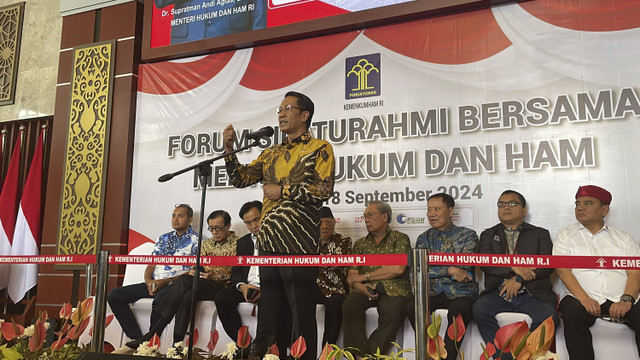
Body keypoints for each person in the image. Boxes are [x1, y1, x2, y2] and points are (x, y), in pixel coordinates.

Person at [223, 91, 335, 360]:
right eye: (279, 110)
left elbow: (323, 189)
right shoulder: (271, 152)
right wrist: (229, 151)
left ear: (304, 115)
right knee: (269, 313)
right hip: (269, 244)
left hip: (298, 245)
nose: (281, 113)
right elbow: (241, 179)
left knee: (300, 315)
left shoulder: (320, 148)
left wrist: (283, 190)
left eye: (288, 108)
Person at [115, 210, 239, 353]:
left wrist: (215, 275)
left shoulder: (238, 243)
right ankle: (177, 345)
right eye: (211, 229)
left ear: (228, 226)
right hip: (202, 283)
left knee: (185, 280)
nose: (215, 232)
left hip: (222, 287)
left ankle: (154, 333)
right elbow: (198, 267)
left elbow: (236, 273)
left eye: (219, 228)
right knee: (187, 293)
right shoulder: (207, 244)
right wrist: (197, 271)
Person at [554, 185, 640, 360]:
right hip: (581, 297)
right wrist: (584, 299)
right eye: (577, 203)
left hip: (619, 297)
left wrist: (626, 300)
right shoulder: (564, 235)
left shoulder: (624, 238)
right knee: (572, 314)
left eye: (587, 203)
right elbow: (563, 271)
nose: (580, 207)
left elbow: (635, 272)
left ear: (604, 209)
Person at [472, 190, 559, 360]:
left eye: (512, 203)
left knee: (549, 317)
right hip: (497, 293)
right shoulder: (489, 234)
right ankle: (503, 357)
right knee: (479, 309)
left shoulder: (540, 233)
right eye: (501, 204)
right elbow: (485, 263)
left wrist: (518, 279)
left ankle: (526, 355)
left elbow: (547, 266)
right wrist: (512, 267)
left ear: (524, 210)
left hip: (532, 294)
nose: (506, 207)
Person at [108, 204, 198, 341]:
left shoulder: (196, 241)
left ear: (190, 219)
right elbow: (151, 266)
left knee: (160, 300)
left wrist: (167, 282)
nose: (175, 219)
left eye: (180, 216)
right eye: (173, 215)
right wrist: (149, 282)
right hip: (155, 282)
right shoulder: (163, 238)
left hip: (175, 285)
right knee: (114, 295)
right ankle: (137, 338)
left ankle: (151, 343)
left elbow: (192, 273)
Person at [407, 193, 478, 360]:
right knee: (412, 308)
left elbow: (465, 269)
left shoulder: (468, 235)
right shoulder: (423, 238)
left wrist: (451, 270)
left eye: (437, 209)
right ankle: (431, 351)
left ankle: (447, 357)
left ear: (450, 211)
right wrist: (451, 270)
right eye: (429, 210)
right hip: (431, 291)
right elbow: (420, 269)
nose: (432, 214)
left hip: (461, 291)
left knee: (460, 311)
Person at [342, 201, 412, 359]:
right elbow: (352, 275)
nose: (366, 219)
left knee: (393, 312)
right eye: (365, 216)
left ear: (385, 217)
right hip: (365, 288)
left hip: (395, 288)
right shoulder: (360, 244)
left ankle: (370, 356)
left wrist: (364, 277)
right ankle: (357, 354)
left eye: (370, 215)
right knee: (349, 306)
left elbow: (398, 269)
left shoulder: (400, 239)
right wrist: (358, 285)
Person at [214, 201, 265, 343]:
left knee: (271, 300)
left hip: (269, 287)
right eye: (248, 223)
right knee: (222, 297)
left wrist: (264, 289)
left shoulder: (277, 239)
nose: (253, 226)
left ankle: (262, 346)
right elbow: (236, 271)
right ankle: (242, 343)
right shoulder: (243, 242)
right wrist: (243, 287)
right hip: (248, 287)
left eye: (256, 220)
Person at [315, 206, 352, 347]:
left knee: (336, 303)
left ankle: (327, 350)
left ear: (335, 223)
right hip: (314, 287)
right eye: (321, 222)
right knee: (296, 295)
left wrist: (313, 259)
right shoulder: (309, 242)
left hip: (335, 288)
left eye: (328, 222)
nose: (324, 226)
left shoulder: (343, 240)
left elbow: (335, 263)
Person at [154, 0, 267, 45]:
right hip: (187, 46)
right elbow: (160, 2)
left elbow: (258, 8)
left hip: (236, 44)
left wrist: (259, 45)